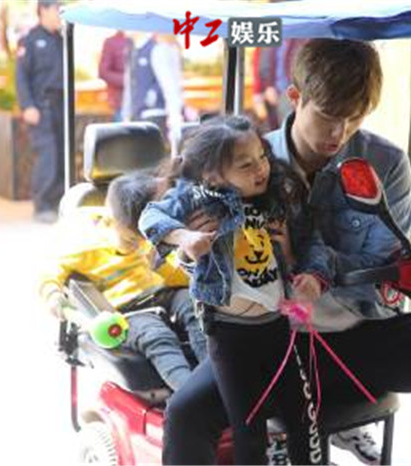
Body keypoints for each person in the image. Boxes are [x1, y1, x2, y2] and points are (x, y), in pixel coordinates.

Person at [157, 39, 411, 466]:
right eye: (327, 117)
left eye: (354, 118)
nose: (339, 133)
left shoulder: (386, 162)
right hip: (264, 337)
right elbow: (184, 246)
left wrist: (308, 268)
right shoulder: (243, 157)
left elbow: (383, 267)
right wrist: (192, 250)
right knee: (184, 415)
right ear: (295, 97)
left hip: (357, 334)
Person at [139, 115, 331, 465]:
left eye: (263, 157)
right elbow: (150, 217)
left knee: (305, 419)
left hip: (279, 328)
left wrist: (313, 276)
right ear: (213, 176)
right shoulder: (198, 199)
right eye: (246, 165)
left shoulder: (279, 195)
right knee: (249, 429)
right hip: (230, 338)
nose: (261, 169)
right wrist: (185, 238)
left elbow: (311, 241)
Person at [39, 171, 207, 391]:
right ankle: (194, 393)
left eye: (143, 240)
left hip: (162, 292)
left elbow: (175, 276)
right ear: (111, 221)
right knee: (157, 335)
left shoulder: (150, 233)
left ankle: (214, 378)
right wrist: (53, 295)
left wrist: (186, 273)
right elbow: (51, 272)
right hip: (126, 310)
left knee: (198, 309)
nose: (139, 246)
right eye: (131, 240)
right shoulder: (84, 241)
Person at [16, 0, 65, 223]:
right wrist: (27, 105)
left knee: (62, 154)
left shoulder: (61, 38)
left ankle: (59, 202)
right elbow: (21, 76)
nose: (59, 13)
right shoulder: (30, 40)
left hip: (60, 105)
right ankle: (43, 205)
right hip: (40, 107)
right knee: (48, 155)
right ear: (43, 10)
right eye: (57, 8)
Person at [122, 34, 184, 155]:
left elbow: (170, 87)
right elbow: (129, 88)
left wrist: (175, 120)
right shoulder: (133, 50)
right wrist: (127, 116)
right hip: (138, 117)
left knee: (152, 160)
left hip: (155, 116)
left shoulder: (157, 49)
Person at [98, 31, 131, 122]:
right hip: (121, 102)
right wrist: (128, 80)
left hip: (147, 104)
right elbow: (103, 72)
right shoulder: (112, 42)